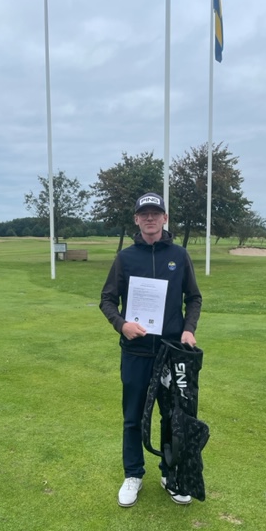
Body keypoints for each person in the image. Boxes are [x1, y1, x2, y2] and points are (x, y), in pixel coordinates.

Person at [100, 192, 202, 507]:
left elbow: (194, 298)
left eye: (155, 213)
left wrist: (188, 329)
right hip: (136, 352)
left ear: (164, 218)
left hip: (171, 353)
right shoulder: (125, 258)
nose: (150, 218)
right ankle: (133, 474)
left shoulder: (179, 255)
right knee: (132, 417)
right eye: (144, 214)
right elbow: (107, 299)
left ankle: (171, 475)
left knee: (172, 417)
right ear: (136, 219)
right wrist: (121, 325)